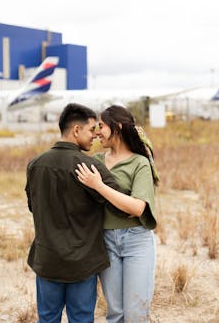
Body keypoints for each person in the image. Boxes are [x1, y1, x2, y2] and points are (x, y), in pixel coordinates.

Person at [25, 103, 129, 323]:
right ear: (76, 130)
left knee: (47, 318)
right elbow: (120, 203)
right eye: (92, 130)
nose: (95, 135)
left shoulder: (35, 165)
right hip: (82, 263)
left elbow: (32, 206)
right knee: (81, 319)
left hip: (47, 261)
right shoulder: (90, 167)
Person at [76, 105, 159, 323]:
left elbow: (138, 208)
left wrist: (99, 186)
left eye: (101, 126)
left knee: (135, 314)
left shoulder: (139, 163)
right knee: (115, 313)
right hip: (106, 240)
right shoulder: (97, 162)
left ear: (118, 127)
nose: (96, 133)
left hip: (136, 240)